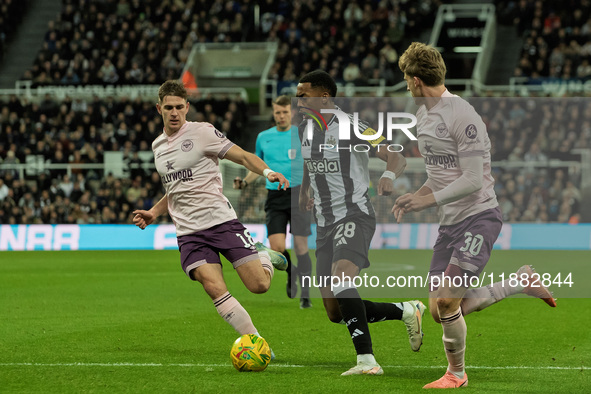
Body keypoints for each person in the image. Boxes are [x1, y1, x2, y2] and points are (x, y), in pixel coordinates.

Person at [392, 42, 556, 389]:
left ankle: (457, 374)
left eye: (406, 78)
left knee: (449, 300)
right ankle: (519, 282)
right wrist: (417, 195)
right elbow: (440, 172)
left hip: (479, 215)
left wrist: (428, 201)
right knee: (438, 310)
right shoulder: (423, 114)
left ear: (417, 80)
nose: (405, 84)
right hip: (450, 222)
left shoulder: (462, 115)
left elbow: (472, 179)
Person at [133, 80, 290, 354]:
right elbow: (174, 188)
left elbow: (241, 156)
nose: (174, 113)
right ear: (159, 108)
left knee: (259, 285)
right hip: (189, 233)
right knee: (214, 287)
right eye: (168, 107)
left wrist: (267, 173)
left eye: (179, 107)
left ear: (187, 107)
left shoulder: (202, 132)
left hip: (221, 222)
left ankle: (264, 256)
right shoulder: (157, 146)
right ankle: (256, 343)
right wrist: (154, 212)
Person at [296, 70, 426, 376]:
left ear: (324, 96)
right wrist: (305, 189)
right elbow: (308, 160)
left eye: (304, 94)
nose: (298, 100)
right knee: (333, 311)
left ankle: (367, 362)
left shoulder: (350, 125)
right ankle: (406, 310)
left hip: (354, 215)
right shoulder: (305, 129)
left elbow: (396, 156)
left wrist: (388, 175)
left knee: (342, 279)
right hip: (325, 224)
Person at [233, 95, 313, 308]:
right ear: (273, 112)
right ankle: (291, 272)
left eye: (285, 112)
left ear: (292, 112)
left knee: (300, 246)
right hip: (275, 196)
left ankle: (305, 292)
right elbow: (257, 166)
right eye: (277, 112)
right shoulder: (263, 137)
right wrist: (245, 183)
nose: (281, 116)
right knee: (277, 248)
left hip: (298, 195)